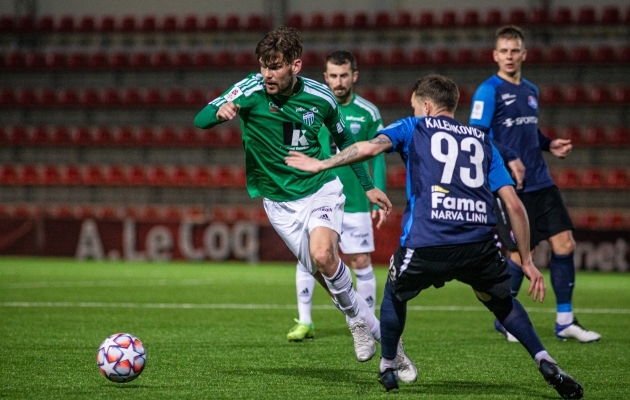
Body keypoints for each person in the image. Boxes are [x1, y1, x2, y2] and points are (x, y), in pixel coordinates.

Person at [286, 74, 584, 399]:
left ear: (426, 106)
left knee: (395, 295)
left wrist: (322, 164)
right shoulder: (483, 141)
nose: (414, 112)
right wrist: (526, 260)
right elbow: (513, 204)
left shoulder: (415, 127)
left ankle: (387, 365)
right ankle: (544, 358)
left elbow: (368, 147)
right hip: (478, 244)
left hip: (427, 240)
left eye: (415, 107)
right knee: (502, 303)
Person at [193, 27, 416, 379]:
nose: (267, 74)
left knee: (325, 255)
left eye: (275, 67)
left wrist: (369, 186)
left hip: (319, 189)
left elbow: (346, 142)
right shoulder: (249, 89)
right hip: (278, 203)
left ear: (295, 65)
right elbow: (199, 119)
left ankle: (360, 326)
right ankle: (382, 338)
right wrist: (219, 112)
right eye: (264, 66)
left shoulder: (320, 98)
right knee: (326, 275)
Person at [469, 25, 600, 343]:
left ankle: (565, 321)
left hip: (540, 180)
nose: (510, 56)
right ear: (495, 55)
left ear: (524, 54)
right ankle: (505, 318)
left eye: (515, 51)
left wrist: (549, 143)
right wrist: (511, 157)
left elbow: (528, 133)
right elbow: (477, 133)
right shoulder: (489, 90)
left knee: (565, 244)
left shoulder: (530, 90)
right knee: (518, 255)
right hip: (509, 184)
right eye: (504, 51)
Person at [287, 50, 388, 343]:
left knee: (359, 260)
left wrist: (375, 194)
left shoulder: (368, 112)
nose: (338, 81)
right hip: (316, 192)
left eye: (344, 75)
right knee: (307, 257)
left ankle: (368, 319)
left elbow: (378, 156)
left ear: (354, 76)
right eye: (333, 75)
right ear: (325, 77)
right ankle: (305, 321)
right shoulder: (312, 105)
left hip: (355, 198)